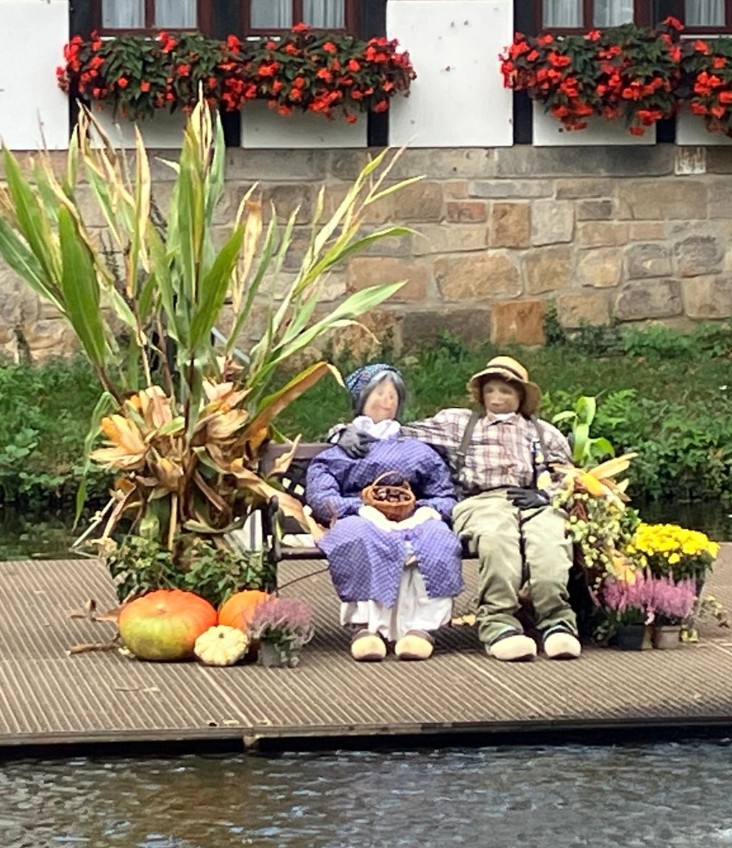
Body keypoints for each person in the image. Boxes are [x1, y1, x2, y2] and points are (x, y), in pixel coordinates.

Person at [338, 355, 579, 663]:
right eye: (490, 390)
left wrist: (547, 494)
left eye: (506, 391)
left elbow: (570, 475)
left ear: (520, 395)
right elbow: (396, 430)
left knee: (550, 544)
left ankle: (557, 623)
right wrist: (344, 431)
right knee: (497, 539)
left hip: (533, 499)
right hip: (481, 501)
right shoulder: (460, 424)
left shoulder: (544, 432)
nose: (497, 398)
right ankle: (499, 625)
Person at [305, 363, 464, 663]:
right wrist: (361, 508)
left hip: (413, 513)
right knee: (357, 537)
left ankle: (421, 628)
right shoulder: (337, 452)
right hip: (358, 514)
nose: (386, 401)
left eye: (393, 396)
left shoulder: (418, 449)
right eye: (379, 394)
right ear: (362, 398)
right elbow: (321, 496)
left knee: (437, 539)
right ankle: (365, 629)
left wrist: (422, 510)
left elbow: (444, 494)